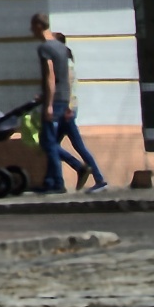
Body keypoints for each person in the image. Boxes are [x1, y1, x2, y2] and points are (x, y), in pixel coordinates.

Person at [28, 10, 108, 190]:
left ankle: (61, 180)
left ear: (39, 26)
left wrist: (49, 103)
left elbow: (51, 77)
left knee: (48, 143)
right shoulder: (64, 51)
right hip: (65, 102)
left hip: (60, 104)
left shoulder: (46, 48)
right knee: (66, 144)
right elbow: (63, 80)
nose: (30, 31)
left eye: (32, 27)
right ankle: (97, 178)